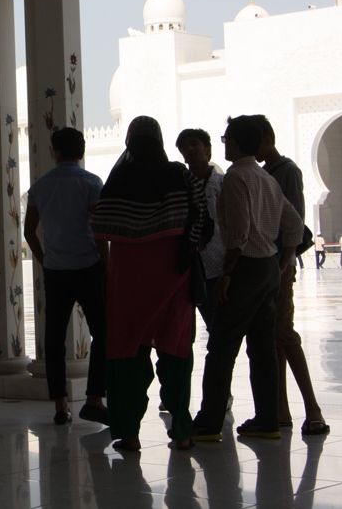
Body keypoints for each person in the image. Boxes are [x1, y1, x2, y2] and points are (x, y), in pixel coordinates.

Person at [92, 117, 207, 451]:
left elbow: (99, 228)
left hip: (128, 282)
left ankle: (128, 434)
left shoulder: (117, 179)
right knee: (175, 351)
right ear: (159, 140)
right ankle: (182, 432)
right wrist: (188, 247)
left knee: (127, 353)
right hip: (174, 277)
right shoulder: (178, 174)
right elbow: (202, 218)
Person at [190, 116, 303, 441]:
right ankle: (267, 420)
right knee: (262, 346)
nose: (223, 144)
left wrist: (228, 273)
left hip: (245, 268)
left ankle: (210, 423)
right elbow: (294, 226)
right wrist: (280, 265)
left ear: (235, 143)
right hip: (266, 266)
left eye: (226, 139)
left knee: (222, 346)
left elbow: (237, 234)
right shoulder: (266, 178)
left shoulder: (237, 177)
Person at [24, 127, 109, 427]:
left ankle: (61, 405)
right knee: (104, 332)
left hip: (57, 271)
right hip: (88, 268)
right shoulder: (91, 182)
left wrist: (45, 260)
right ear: (81, 151)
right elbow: (99, 230)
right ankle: (94, 399)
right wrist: (107, 265)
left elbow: (28, 231)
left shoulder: (41, 186)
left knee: (54, 337)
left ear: (55, 152)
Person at [253, 116, 328, 436]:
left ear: (267, 139)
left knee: (284, 333)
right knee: (274, 339)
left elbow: (293, 225)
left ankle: (313, 409)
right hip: (267, 266)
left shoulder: (287, 171)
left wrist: (282, 266)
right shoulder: (262, 173)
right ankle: (280, 410)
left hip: (279, 267)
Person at [175, 128, 224, 332]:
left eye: (194, 144)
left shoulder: (223, 183)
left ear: (208, 149)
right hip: (187, 268)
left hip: (218, 268)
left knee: (218, 326)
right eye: (185, 147)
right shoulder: (179, 187)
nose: (190, 149)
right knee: (183, 330)